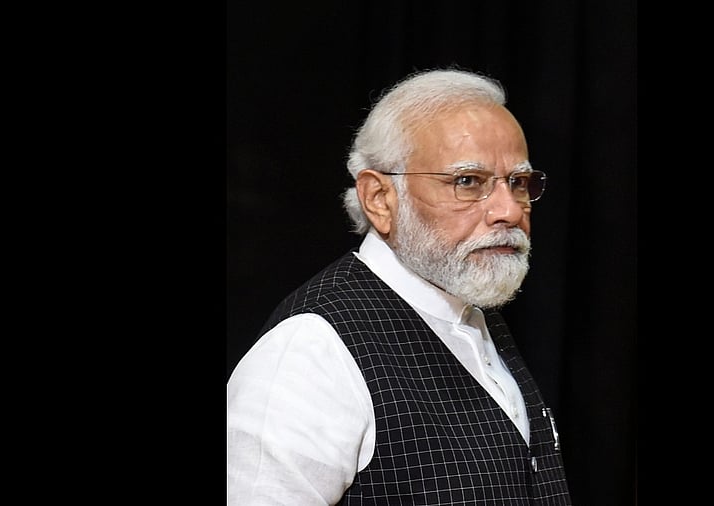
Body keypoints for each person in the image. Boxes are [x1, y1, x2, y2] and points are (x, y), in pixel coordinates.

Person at [227, 68, 571, 505]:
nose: (507, 210)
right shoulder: (310, 352)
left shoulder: (470, 307)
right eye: (468, 182)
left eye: (518, 183)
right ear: (379, 199)